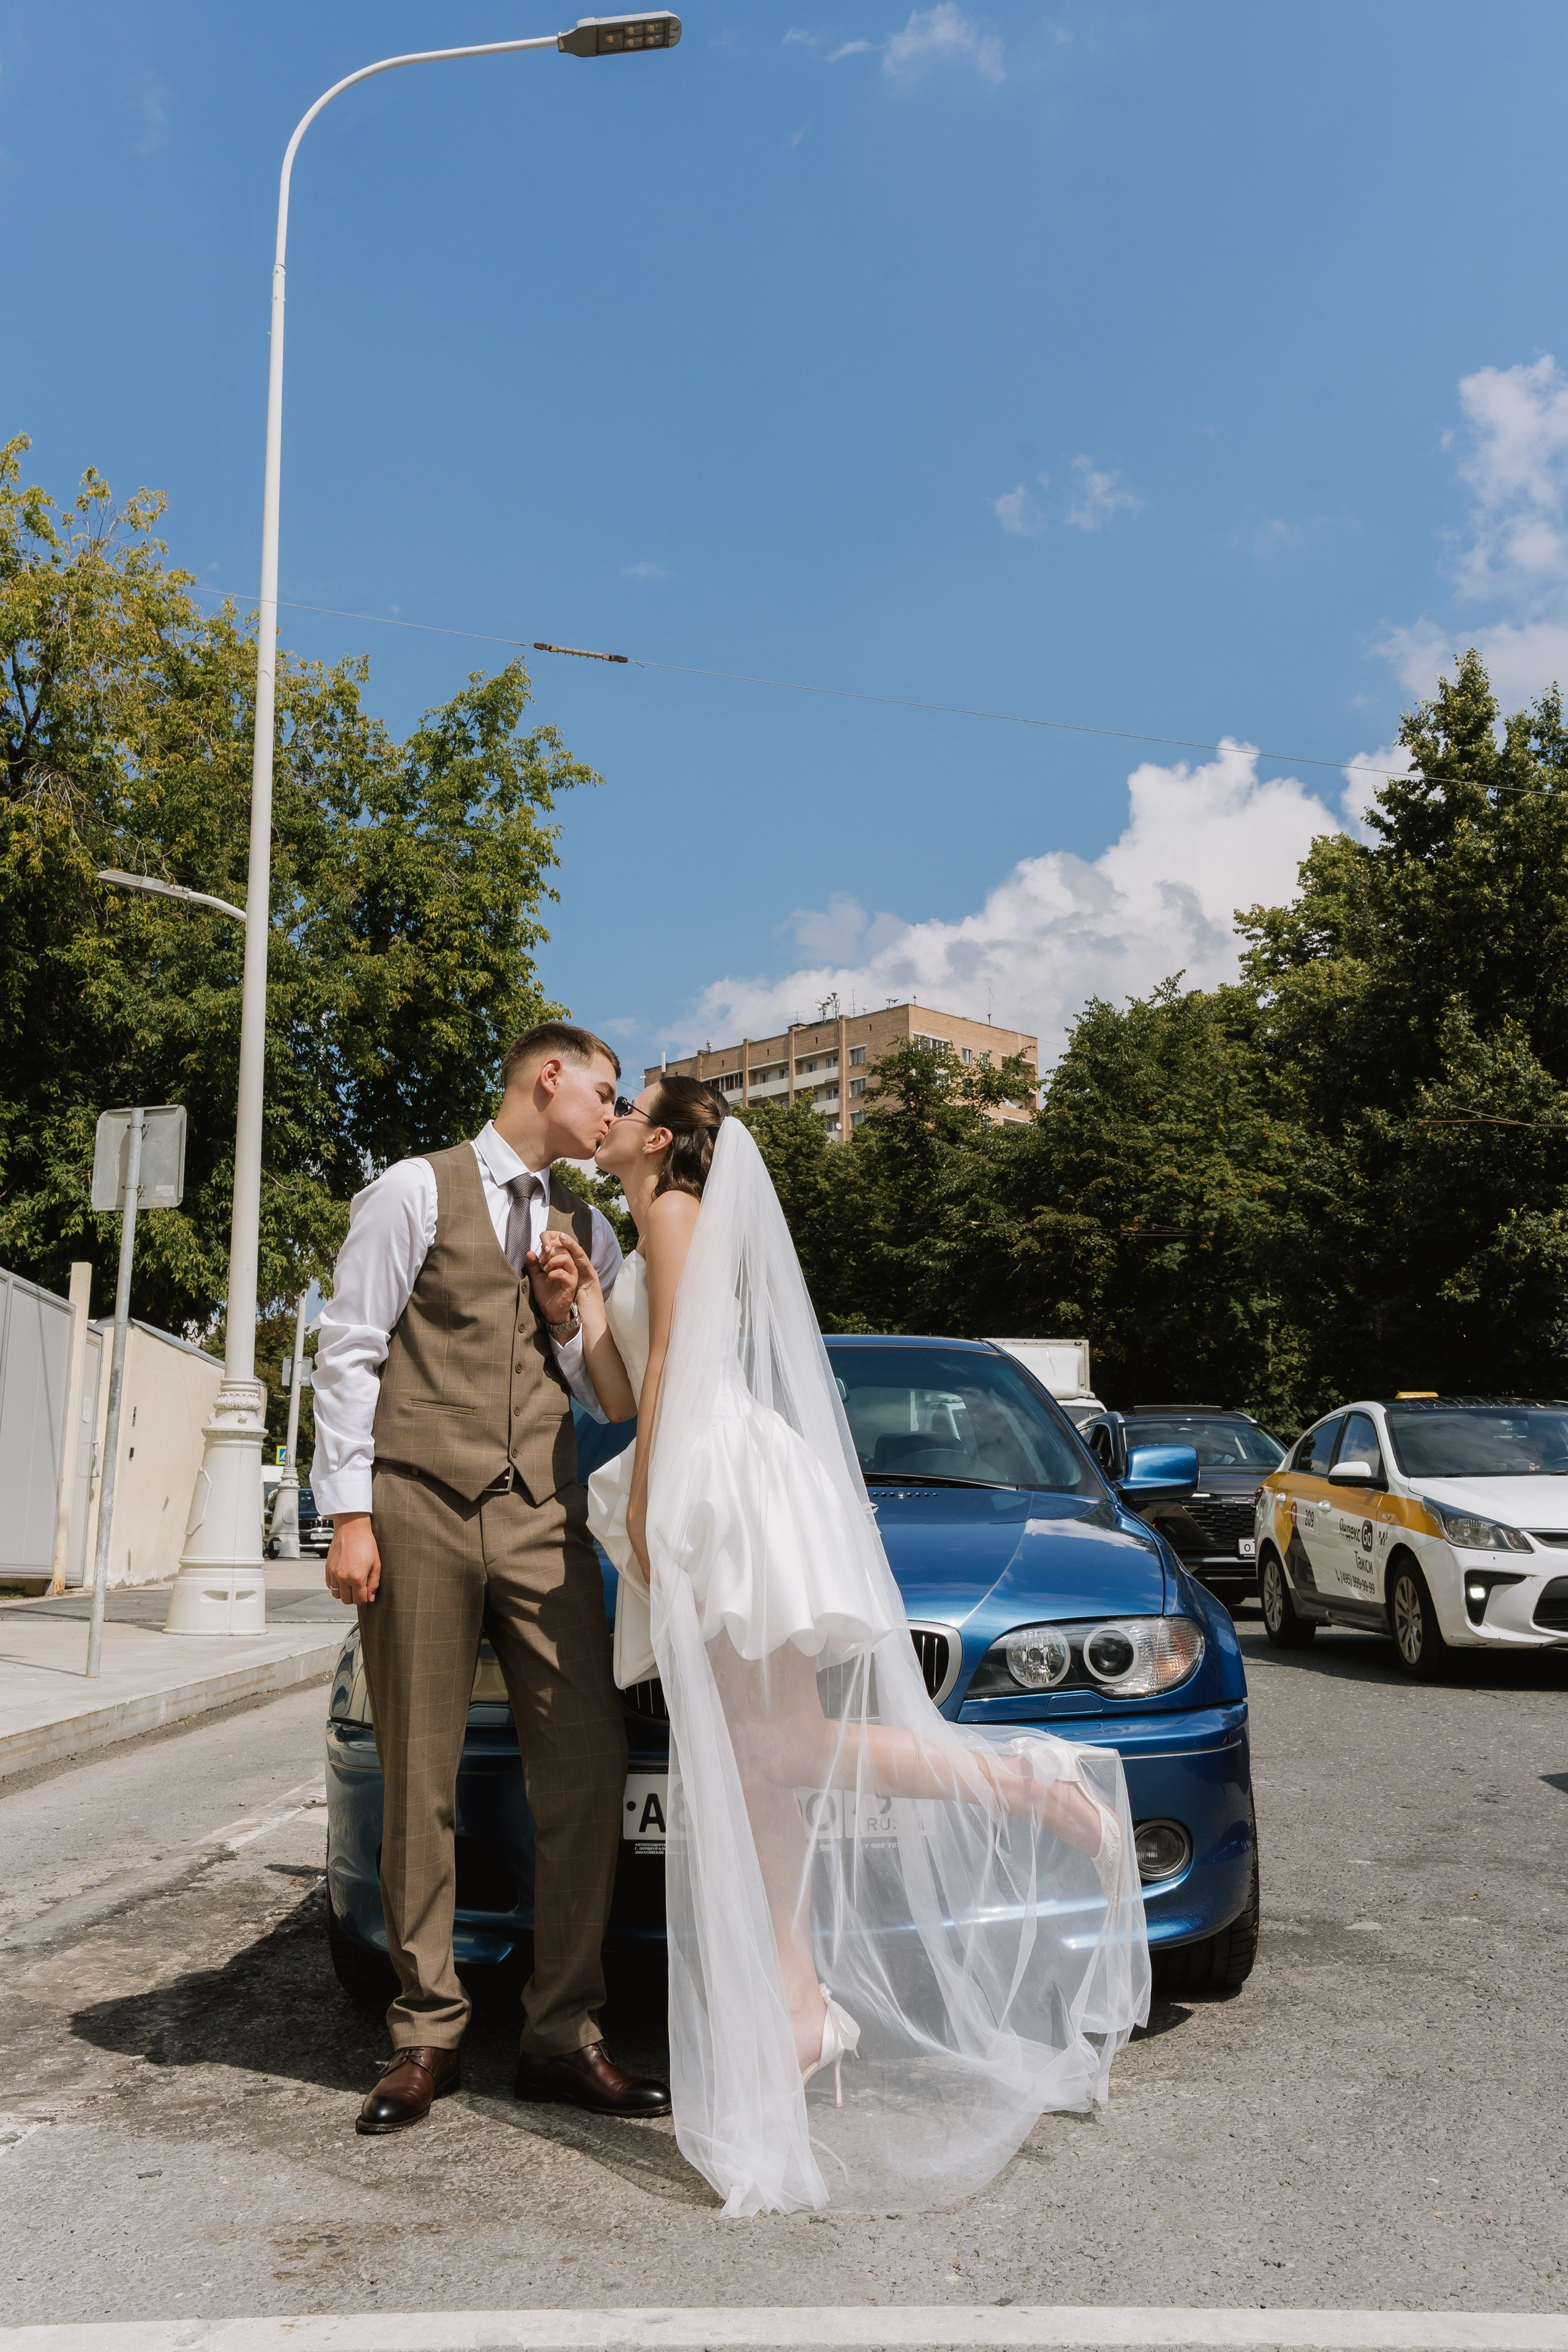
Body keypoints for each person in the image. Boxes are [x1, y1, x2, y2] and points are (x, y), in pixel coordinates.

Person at [540, 1074, 1151, 2218]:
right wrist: (579, 1308)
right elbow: (624, 1385)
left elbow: (672, 1372)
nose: (610, 1117)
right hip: (703, 1469)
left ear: (660, 1138)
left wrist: (646, 1506)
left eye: (630, 1108)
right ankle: (801, 2005)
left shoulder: (673, 1212)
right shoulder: (638, 1229)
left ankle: (1034, 1781)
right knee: (766, 1767)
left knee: (780, 1746)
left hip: (715, 1480)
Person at [311, 1023, 671, 2136]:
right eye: (604, 1092)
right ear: (547, 1077)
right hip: (417, 1504)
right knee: (420, 1768)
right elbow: (351, 1348)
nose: (611, 1114)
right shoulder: (414, 1190)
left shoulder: (591, 1224)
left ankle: (564, 2032)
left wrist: (569, 1310)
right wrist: (350, 1515)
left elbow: (608, 1392)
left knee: (587, 1760)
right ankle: (428, 2034)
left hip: (542, 1515)